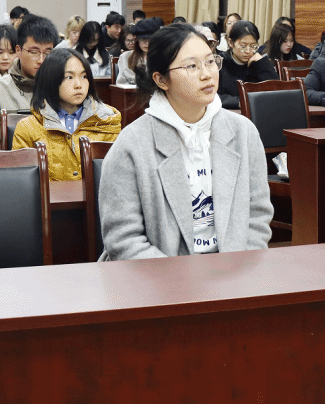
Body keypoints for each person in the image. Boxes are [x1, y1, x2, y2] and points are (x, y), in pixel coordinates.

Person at [98, 23, 274, 259]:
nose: (207, 74)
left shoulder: (243, 132)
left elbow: (258, 216)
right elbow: (123, 240)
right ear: (161, 80)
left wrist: (238, 266)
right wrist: (181, 278)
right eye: (192, 66)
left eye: (210, 62)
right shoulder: (132, 144)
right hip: (159, 274)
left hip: (232, 268)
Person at [12, 48, 121, 181]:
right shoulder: (27, 128)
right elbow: (23, 183)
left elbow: (117, 177)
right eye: (69, 77)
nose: (78, 85)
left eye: (84, 76)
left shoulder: (107, 122)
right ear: (50, 80)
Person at [0, 15, 57, 143]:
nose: (41, 60)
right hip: (13, 155)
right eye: (34, 52)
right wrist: (18, 132)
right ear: (18, 51)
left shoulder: (63, 88)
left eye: (48, 53)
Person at [216, 19, 277, 109]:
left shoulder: (257, 63)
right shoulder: (220, 63)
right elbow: (213, 96)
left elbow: (277, 90)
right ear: (231, 43)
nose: (248, 51)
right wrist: (239, 102)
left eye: (252, 46)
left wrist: (262, 63)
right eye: (243, 46)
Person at [116, 18, 159, 86]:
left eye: (150, 39)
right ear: (137, 40)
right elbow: (121, 84)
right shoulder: (125, 57)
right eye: (143, 39)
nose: (146, 43)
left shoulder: (163, 57)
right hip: (131, 91)